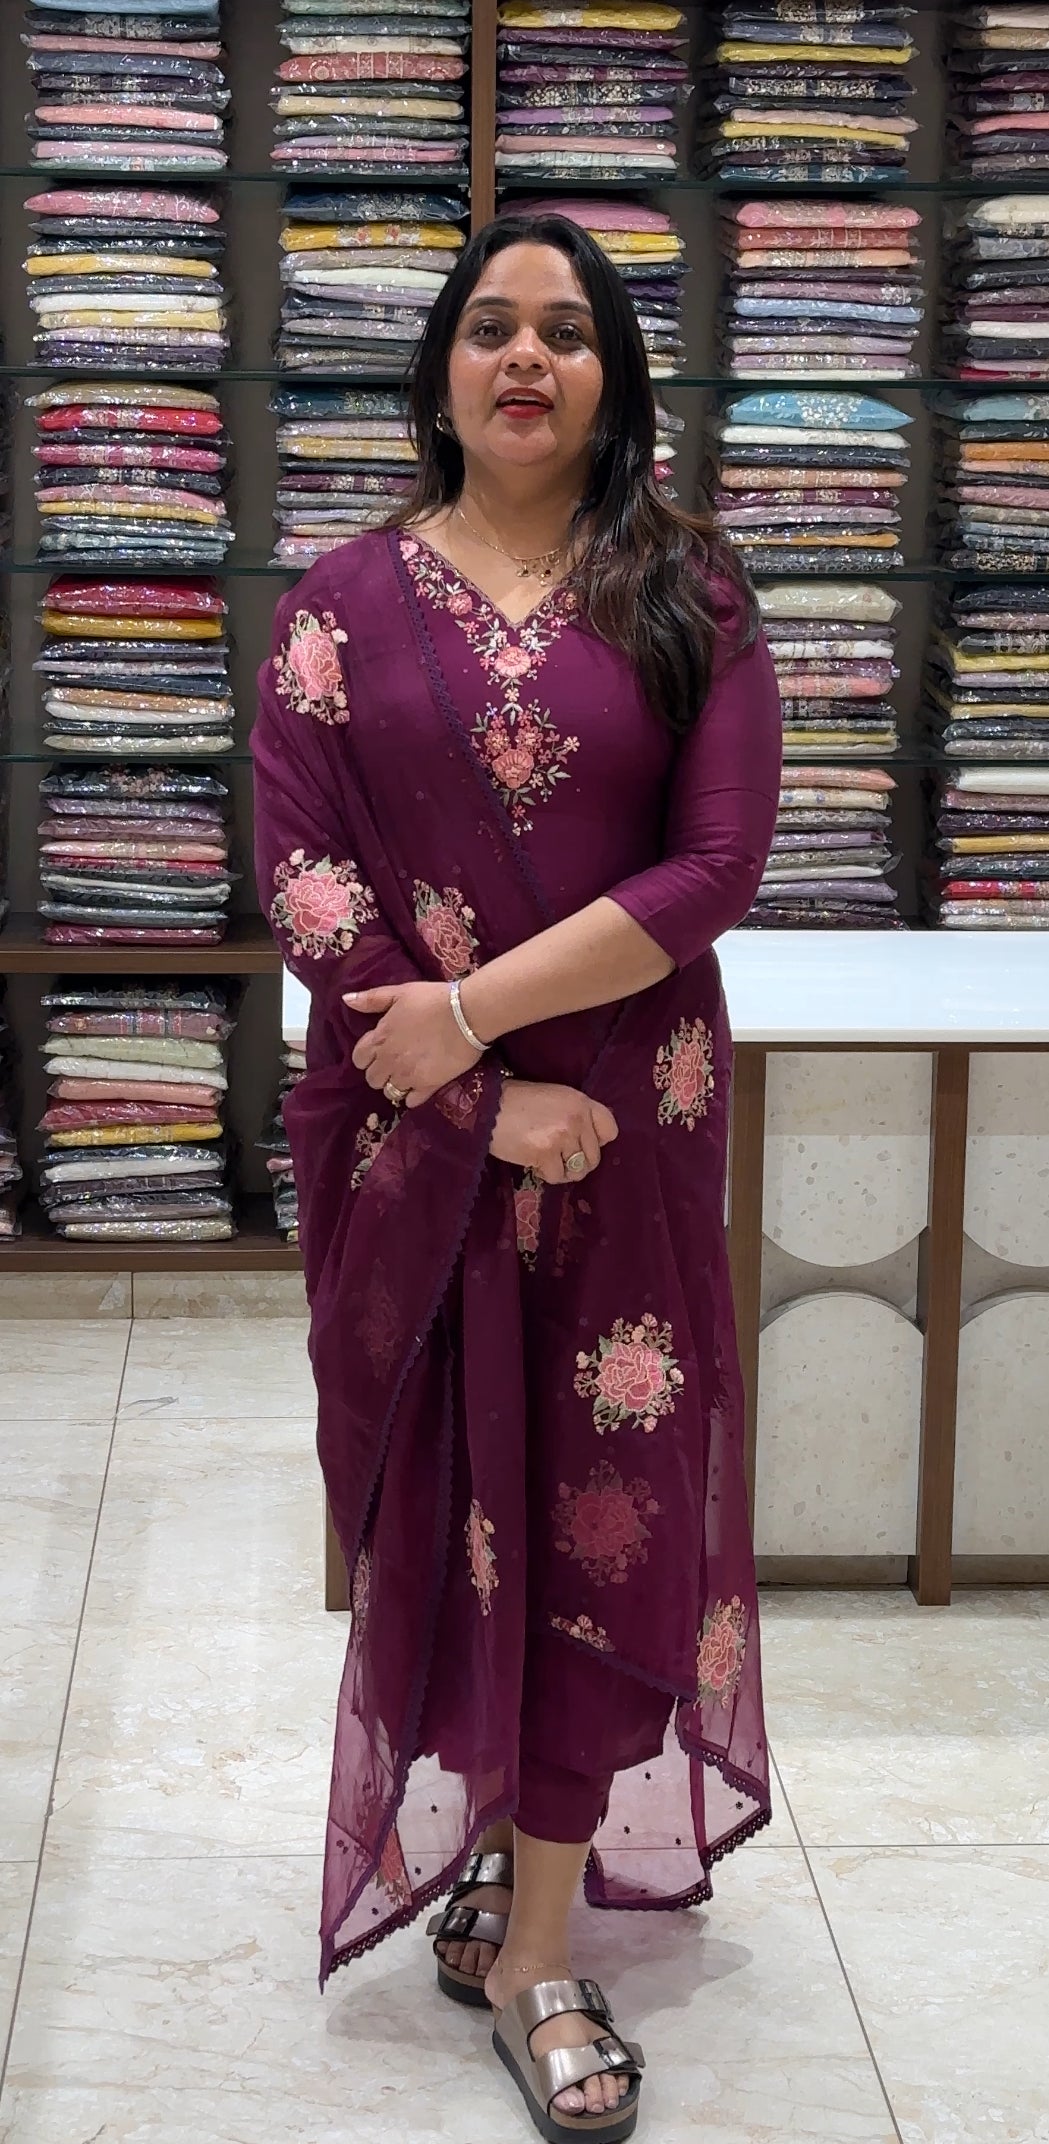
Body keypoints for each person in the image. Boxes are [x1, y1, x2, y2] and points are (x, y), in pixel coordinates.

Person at [253, 211, 781, 2144]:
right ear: (442, 372)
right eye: (490, 327)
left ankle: (541, 1950)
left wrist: (479, 1019)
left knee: (602, 1512)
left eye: (567, 329)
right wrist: (477, 1097)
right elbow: (306, 877)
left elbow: (714, 869)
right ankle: (494, 1847)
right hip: (421, 1139)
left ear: (615, 377)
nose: (527, 357)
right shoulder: (334, 603)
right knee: (449, 1499)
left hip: (624, 1128)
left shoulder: (689, 591)